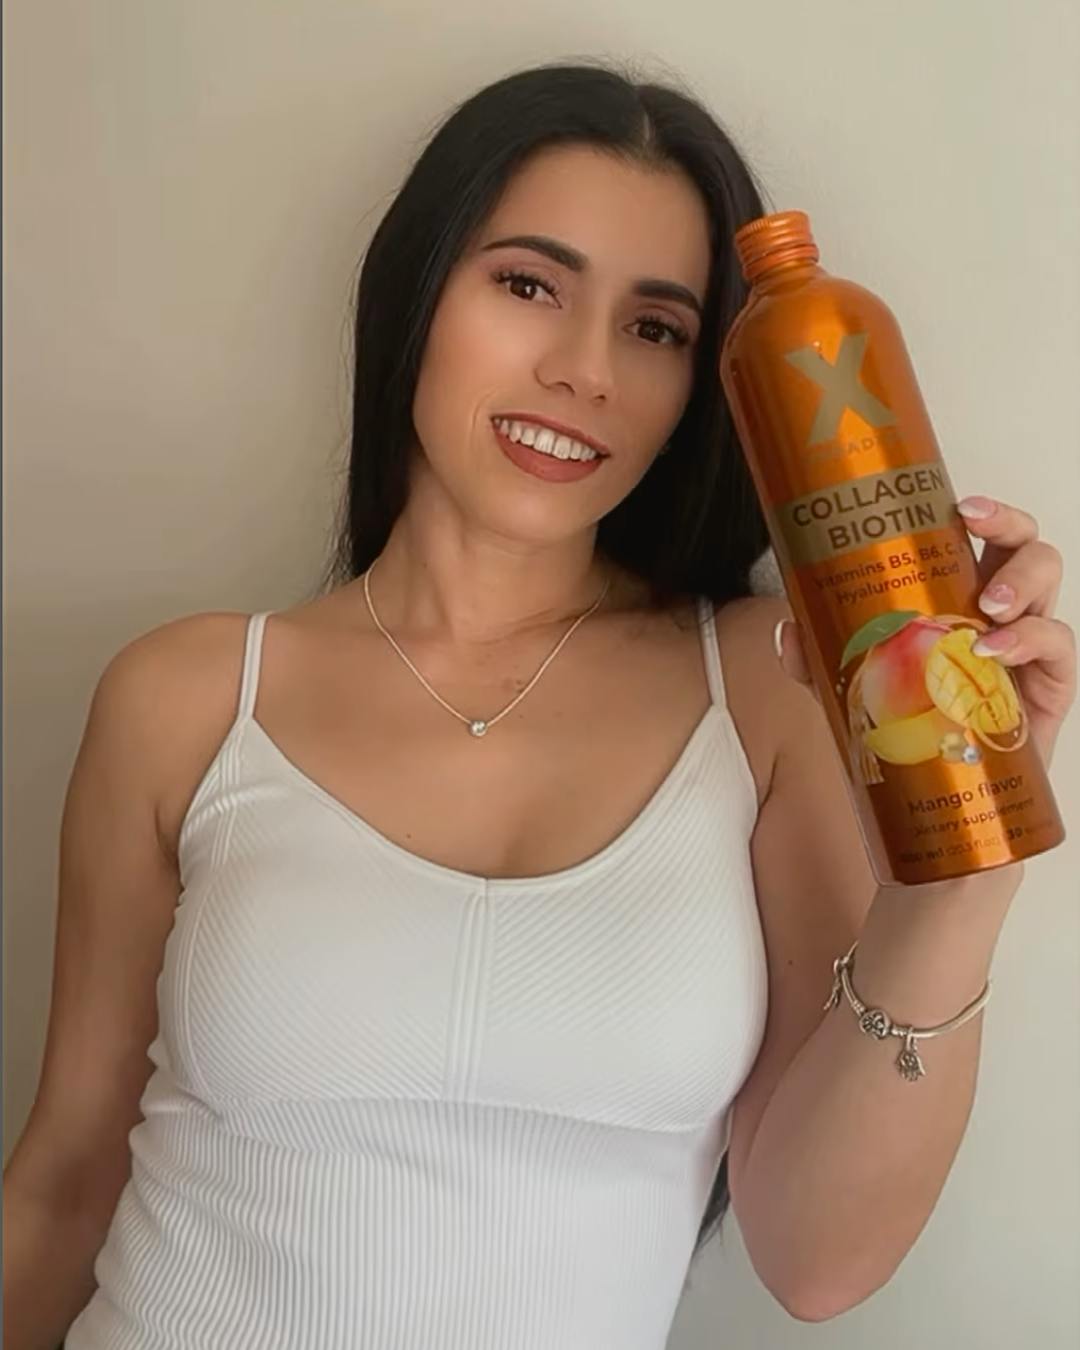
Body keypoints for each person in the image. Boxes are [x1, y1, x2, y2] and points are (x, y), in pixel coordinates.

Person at [3, 60, 1074, 1350]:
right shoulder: (184, 697)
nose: (584, 371)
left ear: (702, 387)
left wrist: (962, 871)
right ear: (418, 294)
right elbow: (63, 1181)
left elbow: (820, 1263)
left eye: (655, 328)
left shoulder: (775, 685)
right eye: (527, 286)